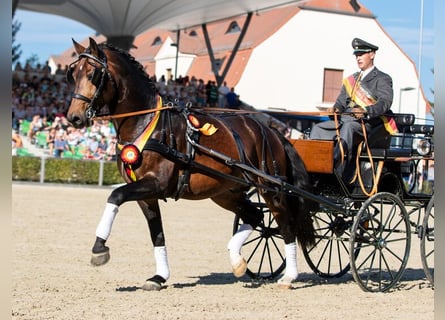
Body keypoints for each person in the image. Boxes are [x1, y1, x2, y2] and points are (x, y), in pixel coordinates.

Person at [310, 37, 394, 181]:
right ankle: (314, 171)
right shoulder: (351, 80)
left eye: (361, 54)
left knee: (348, 127)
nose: (358, 58)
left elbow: (385, 102)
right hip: (345, 120)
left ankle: (337, 173)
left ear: (372, 54)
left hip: (366, 124)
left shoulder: (382, 78)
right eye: (356, 55)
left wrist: (366, 110)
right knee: (318, 129)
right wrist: (335, 109)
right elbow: (340, 104)